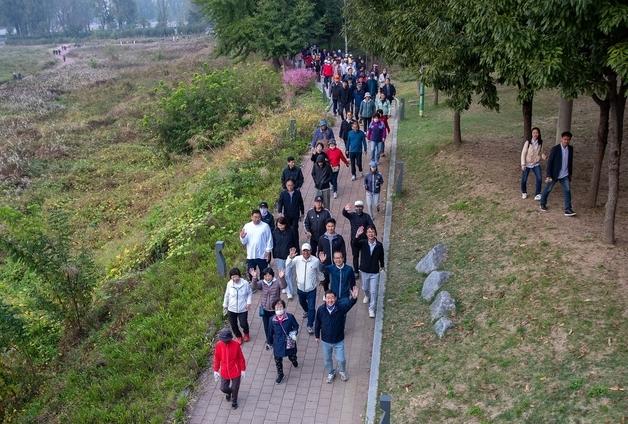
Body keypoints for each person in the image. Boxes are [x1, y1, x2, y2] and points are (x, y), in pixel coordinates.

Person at [314, 287, 359, 383]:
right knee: (327, 360)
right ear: (324, 299)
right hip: (326, 341)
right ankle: (331, 373)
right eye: (328, 298)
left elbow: (349, 305)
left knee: (341, 359)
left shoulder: (341, 309)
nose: (330, 300)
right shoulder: (321, 310)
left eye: (332, 298)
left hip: (339, 340)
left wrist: (354, 298)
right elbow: (317, 323)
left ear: (335, 298)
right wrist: (317, 336)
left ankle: (342, 371)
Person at [285, 243, 324, 334]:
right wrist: (290, 257)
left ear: (310, 251)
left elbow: (318, 272)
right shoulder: (297, 259)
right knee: (302, 303)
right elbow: (288, 266)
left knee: (311, 307)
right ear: (302, 251)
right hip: (300, 288)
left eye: (307, 250)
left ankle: (310, 325)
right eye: (304, 250)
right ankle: (307, 312)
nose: (305, 252)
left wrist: (322, 280)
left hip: (311, 289)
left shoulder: (315, 260)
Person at [540, 131, 576, 216]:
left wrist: (570, 174)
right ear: (561, 139)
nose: (566, 141)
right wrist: (548, 175)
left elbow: (570, 162)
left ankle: (568, 209)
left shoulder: (570, 149)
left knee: (567, 190)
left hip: (565, 175)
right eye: (565, 139)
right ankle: (542, 203)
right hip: (554, 174)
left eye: (568, 140)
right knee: (548, 189)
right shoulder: (555, 149)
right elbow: (550, 163)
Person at [251, 267, 286, 350]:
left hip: (275, 310)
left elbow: (284, 286)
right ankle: (269, 342)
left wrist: (282, 278)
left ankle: (277, 340)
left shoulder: (277, 282)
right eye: (265, 276)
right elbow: (254, 287)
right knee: (266, 327)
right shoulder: (262, 283)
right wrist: (254, 278)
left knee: (277, 326)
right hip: (265, 309)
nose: (267, 278)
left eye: (269, 276)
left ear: (272, 276)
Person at [213, 328, 246, 409]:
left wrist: (243, 369)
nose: (225, 341)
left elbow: (241, 358)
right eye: (223, 340)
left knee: (235, 387)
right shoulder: (218, 345)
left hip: (235, 370)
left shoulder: (236, 345)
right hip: (224, 370)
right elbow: (217, 358)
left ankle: (234, 402)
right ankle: (229, 393)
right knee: (223, 388)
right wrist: (216, 370)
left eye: (227, 340)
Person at [355, 225, 385, 318]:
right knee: (365, 288)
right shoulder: (363, 243)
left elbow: (381, 257)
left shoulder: (379, 245)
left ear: (375, 233)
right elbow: (354, 244)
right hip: (364, 270)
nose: (370, 234)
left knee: (373, 291)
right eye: (369, 232)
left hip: (374, 272)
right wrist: (357, 235)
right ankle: (366, 296)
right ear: (366, 234)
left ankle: (371, 309)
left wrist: (382, 266)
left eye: (372, 232)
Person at [269, 299, 299, 384]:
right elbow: (270, 332)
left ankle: (294, 360)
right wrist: (269, 342)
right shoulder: (272, 319)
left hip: (289, 341)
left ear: (284, 307)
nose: (279, 309)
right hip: (278, 343)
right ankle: (280, 374)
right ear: (274, 309)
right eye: (277, 307)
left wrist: (294, 333)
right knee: (278, 359)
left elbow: (296, 326)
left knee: (292, 355)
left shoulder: (290, 317)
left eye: (281, 306)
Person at [342, 200, 374, 275]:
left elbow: (371, 226)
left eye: (360, 207)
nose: (358, 209)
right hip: (354, 240)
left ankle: (364, 269)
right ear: (355, 208)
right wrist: (345, 209)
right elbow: (344, 214)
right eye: (357, 207)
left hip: (364, 240)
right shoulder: (352, 215)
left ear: (362, 208)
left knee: (365, 255)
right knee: (355, 256)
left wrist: (371, 235)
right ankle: (356, 271)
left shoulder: (366, 216)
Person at [239, 209, 273, 278]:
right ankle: (254, 287)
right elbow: (244, 242)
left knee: (264, 274)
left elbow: (269, 239)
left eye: (259, 217)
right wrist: (242, 237)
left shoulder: (265, 226)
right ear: (251, 217)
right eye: (255, 217)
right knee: (251, 274)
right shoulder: (247, 226)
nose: (257, 219)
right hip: (251, 255)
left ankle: (263, 287)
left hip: (262, 254)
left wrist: (268, 251)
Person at [222, 268, 253, 343]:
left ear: (239, 276)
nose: (234, 279)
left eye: (236, 276)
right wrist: (225, 305)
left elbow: (249, 293)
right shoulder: (229, 284)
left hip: (243, 308)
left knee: (243, 323)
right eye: (232, 277)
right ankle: (238, 336)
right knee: (233, 324)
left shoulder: (245, 283)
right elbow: (227, 295)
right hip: (231, 308)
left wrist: (248, 302)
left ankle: (246, 333)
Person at [317, 218, 346, 292]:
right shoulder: (322, 238)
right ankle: (326, 293)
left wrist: (343, 264)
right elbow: (319, 252)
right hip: (326, 265)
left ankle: (335, 294)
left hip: (337, 264)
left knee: (336, 281)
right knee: (326, 281)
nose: (330, 228)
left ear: (335, 226)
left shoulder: (339, 238)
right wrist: (321, 260)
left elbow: (343, 252)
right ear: (326, 226)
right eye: (328, 226)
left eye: (332, 226)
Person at [272, 217, 297, 300]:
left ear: (285, 224)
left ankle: (289, 291)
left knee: (288, 274)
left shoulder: (291, 231)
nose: (280, 227)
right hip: (279, 257)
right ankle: (285, 287)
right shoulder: (275, 232)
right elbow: (274, 243)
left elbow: (295, 242)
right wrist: (274, 254)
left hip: (288, 256)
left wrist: (296, 252)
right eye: (278, 225)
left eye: (282, 225)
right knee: (282, 274)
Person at [520, 127, 546, 200]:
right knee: (524, 179)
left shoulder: (540, 142)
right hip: (527, 164)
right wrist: (523, 164)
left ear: (539, 134)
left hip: (536, 164)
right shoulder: (528, 142)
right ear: (531, 134)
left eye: (537, 133)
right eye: (534, 132)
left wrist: (543, 155)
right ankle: (524, 192)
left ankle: (538, 194)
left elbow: (542, 152)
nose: (535, 134)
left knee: (539, 178)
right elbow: (523, 153)